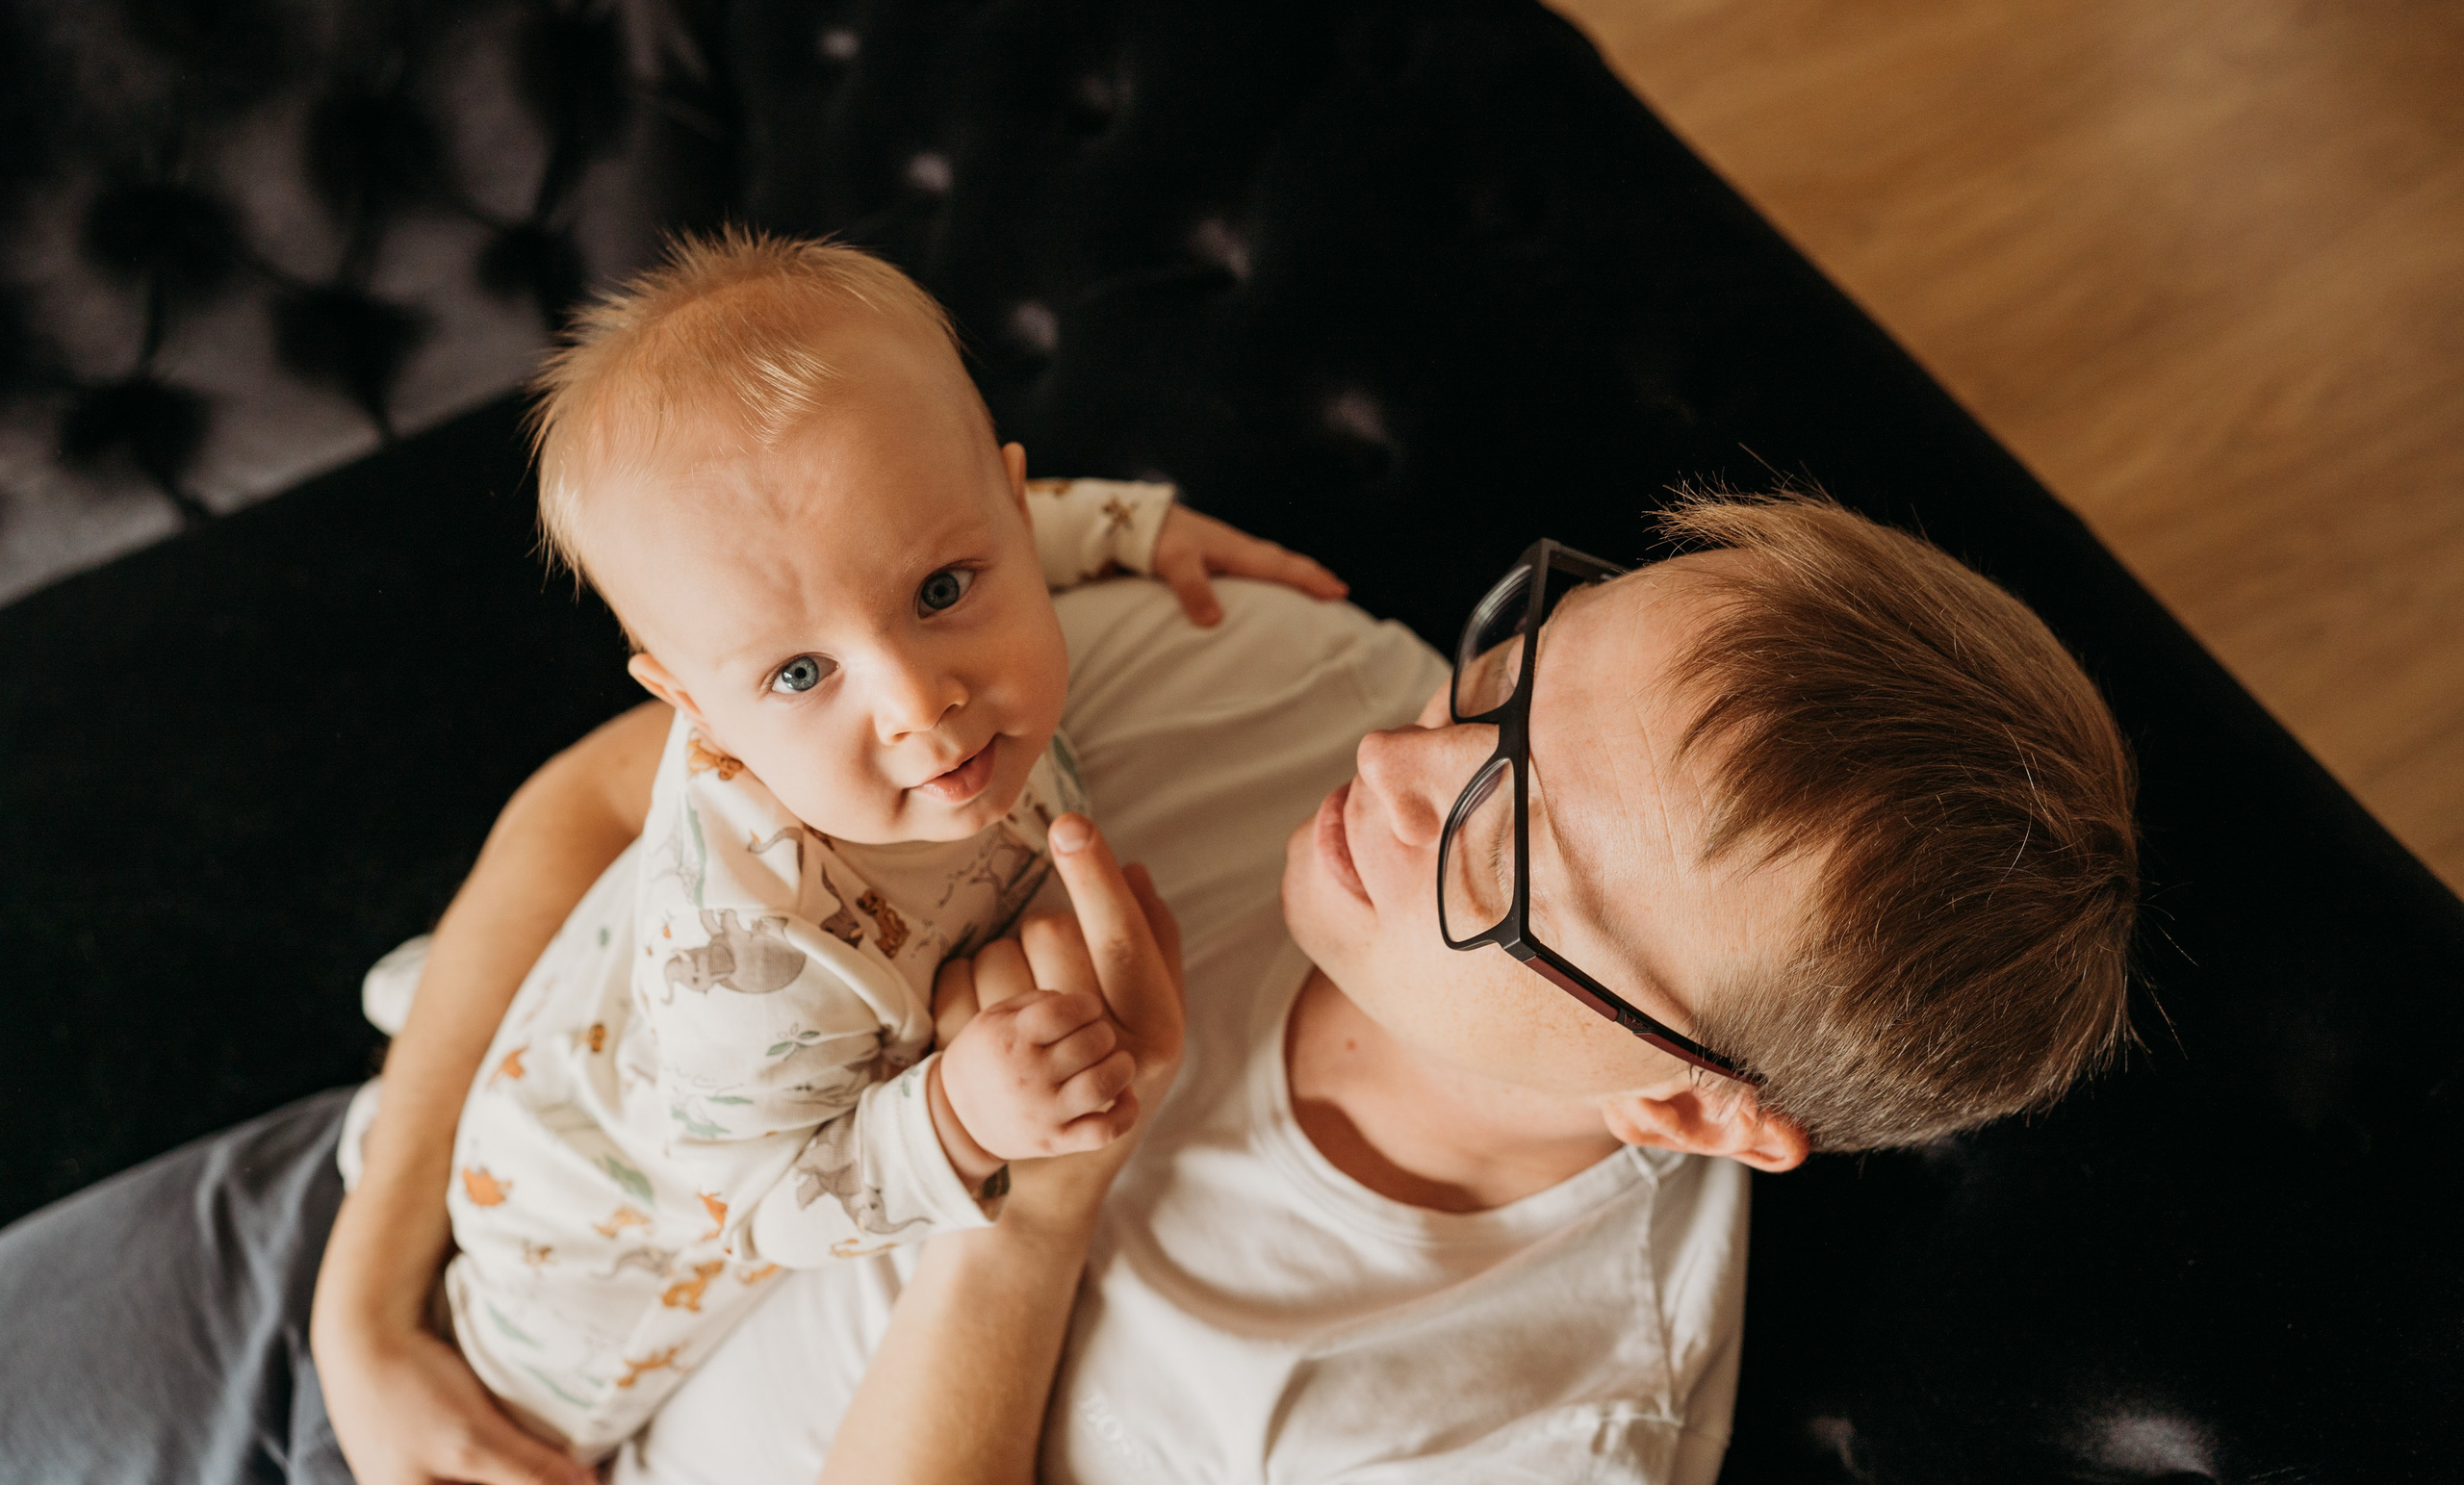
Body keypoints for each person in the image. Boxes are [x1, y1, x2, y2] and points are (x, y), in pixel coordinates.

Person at [314, 488, 2141, 1484]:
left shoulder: (1517, 1435)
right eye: (1513, 668)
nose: (1409, 755)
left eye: (1514, 845)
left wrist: (1029, 1227)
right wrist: (362, 1313)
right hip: (396, 1209)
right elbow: (597, 803)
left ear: (1679, 1103)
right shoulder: (1256, 660)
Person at [336, 228, 1349, 1458]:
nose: (918, 704)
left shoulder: (936, 572)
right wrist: (959, 1120)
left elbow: (987, 518)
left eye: (940, 595)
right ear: (692, 706)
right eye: (801, 672)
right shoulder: (753, 948)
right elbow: (754, 1204)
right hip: (592, 1233)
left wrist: (1134, 532)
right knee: (522, 1426)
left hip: (635, 1038)